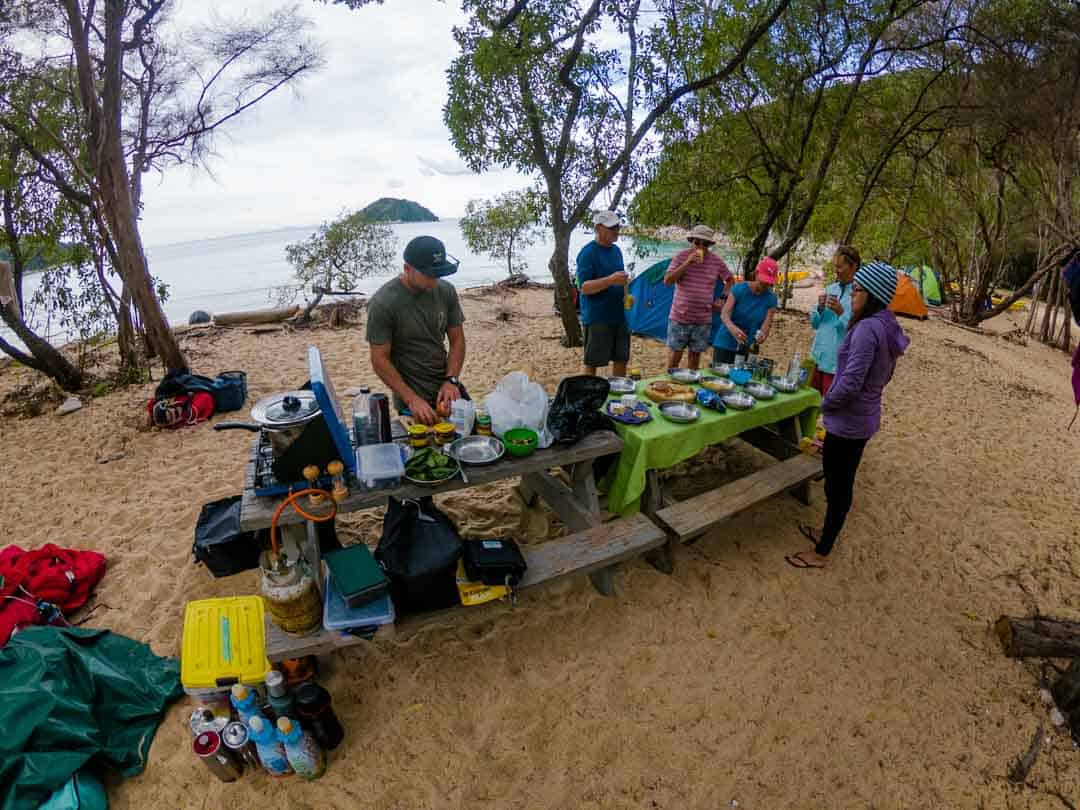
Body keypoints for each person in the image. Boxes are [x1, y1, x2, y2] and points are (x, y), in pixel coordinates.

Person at [786, 261, 909, 569]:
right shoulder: (887, 323)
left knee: (837, 487)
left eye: (857, 290)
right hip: (864, 417)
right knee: (840, 483)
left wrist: (823, 404)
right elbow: (887, 374)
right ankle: (826, 533)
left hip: (849, 421)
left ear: (873, 294)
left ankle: (821, 553)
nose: (852, 294)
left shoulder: (867, 329)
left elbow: (851, 382)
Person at [366, 235, 467, 426]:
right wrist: (411, 399)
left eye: (438, 274)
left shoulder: (446, 291)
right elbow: (379, 359)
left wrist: (452, 380)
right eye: (428, 275)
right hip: (411, 396)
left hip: (446, 385)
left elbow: (457, 340)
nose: (434, 282)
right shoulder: (383, 303)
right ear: (407, 268)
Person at [663, 225, 734, 370]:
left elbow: (730, 280)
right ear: (692, 241)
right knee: (675, 357)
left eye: (705, 243)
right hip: (680, 317)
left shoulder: (716, 261)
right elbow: (667, 281)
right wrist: (687, 263)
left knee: (694, 359)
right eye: (697, 242)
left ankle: (690, 390)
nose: (701, 246)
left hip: (703, 320)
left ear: (710, 245)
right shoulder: (681, 256)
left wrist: (722, 298)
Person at [576, 210, 630, 376]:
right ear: (598, 228)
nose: (616, 231)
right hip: (597, 317)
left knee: (621, 358)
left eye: (617, 227)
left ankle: (618, 393)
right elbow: (584, 288)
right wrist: (610, 280)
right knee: (592, 361)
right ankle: (587, 394)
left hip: (619, 315)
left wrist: (626, 286)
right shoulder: (588, 253)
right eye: (611, 228)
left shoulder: (616, 251)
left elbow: (617, 279)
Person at [809, 245, 860, 397]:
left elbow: (857, 329)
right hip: (817, 356)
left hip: (836, 362)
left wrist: (841, 312)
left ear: (853, 267)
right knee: (808, 402)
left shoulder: (859, 294)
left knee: (829, 407)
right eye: (835, 267)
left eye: (840, 267)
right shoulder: (831, 288)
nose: (836, 271)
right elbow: (815, 324)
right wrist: (819, 308)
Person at [713, 257, 780, 364]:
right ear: (756, 274)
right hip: (725, 342)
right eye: (763, 281)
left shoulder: (771, 299)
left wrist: (762, 336)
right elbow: (724, 314)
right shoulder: (739, 289)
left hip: (747, 346)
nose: (765, 285)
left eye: (769, 283)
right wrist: (733, 329)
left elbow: (766, 325)